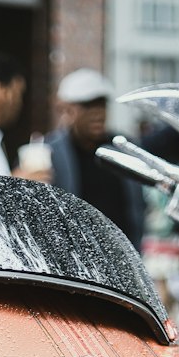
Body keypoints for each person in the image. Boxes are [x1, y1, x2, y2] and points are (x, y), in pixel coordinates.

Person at [46, 68, 144, 249]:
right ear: (68, 109)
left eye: (102, 104)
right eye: (88, 105)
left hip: (122, 255)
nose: (98, 113)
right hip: (73, 259)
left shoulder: (124, 147)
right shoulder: (49, 151)